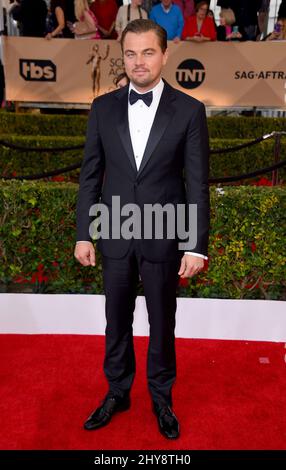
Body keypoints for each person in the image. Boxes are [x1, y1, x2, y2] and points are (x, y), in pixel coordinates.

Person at [74, 18, 210, 440]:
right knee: (116, 320)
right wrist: (84, 232)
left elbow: (197, 184)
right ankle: (117, 392)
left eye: (148, 52)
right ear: (123, 56)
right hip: (114, 233)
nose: (138, 62)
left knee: (161, 323)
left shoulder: (189, 110)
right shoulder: (103, 107)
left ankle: (161, 396)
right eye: (130, 53)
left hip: (164, 236)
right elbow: (90, 176)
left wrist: (195, 245)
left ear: (165, 55)